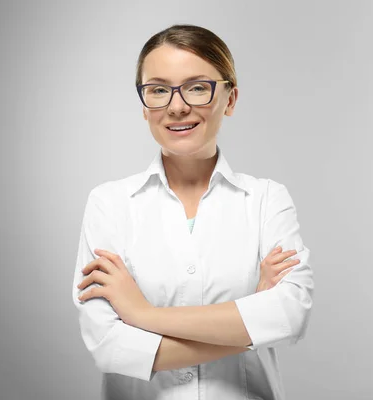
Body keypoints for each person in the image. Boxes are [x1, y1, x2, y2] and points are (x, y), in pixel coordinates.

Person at [71, 24, 314, 400]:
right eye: (158, 90)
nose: (177, 105)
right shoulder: (110, 204)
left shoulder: (267, 199)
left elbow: (290, 316)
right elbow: (109, 346)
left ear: (229, 99)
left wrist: (142, 315)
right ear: (144, 104)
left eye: (197, 87)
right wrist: (249, 321)